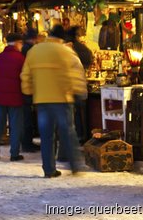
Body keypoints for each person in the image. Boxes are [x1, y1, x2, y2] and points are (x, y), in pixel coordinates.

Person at [21, 25, 87, 178]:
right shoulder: (65, 51)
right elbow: (76, 74)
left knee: (46, 136)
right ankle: (74, 165)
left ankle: (49, 169)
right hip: (63, 99)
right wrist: (78, 92)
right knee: (68, 132)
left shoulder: (34, 51)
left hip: (42, 100)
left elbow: (25, 75)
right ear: (61, 37)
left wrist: (29, 92)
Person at [0, 32, 25, 161]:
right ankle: (14, 153)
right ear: (18, 43)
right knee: (15, 126)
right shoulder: (21, 59)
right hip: (16, 98)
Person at [66, 26, 93, 144]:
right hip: (79, 88)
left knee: (73, 116)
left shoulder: (68, 54)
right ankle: (81, 136)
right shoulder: (82, 50)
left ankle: (77, 138)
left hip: (71, 89)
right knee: (79, 115)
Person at [20, 28, 41, 153]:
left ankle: (27, 142)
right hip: (28, 90)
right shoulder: (30, 50)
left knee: (27, 117)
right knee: (28, 118)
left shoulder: (24, 49)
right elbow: (29, 72)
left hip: (25, 89)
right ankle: (27, 144)